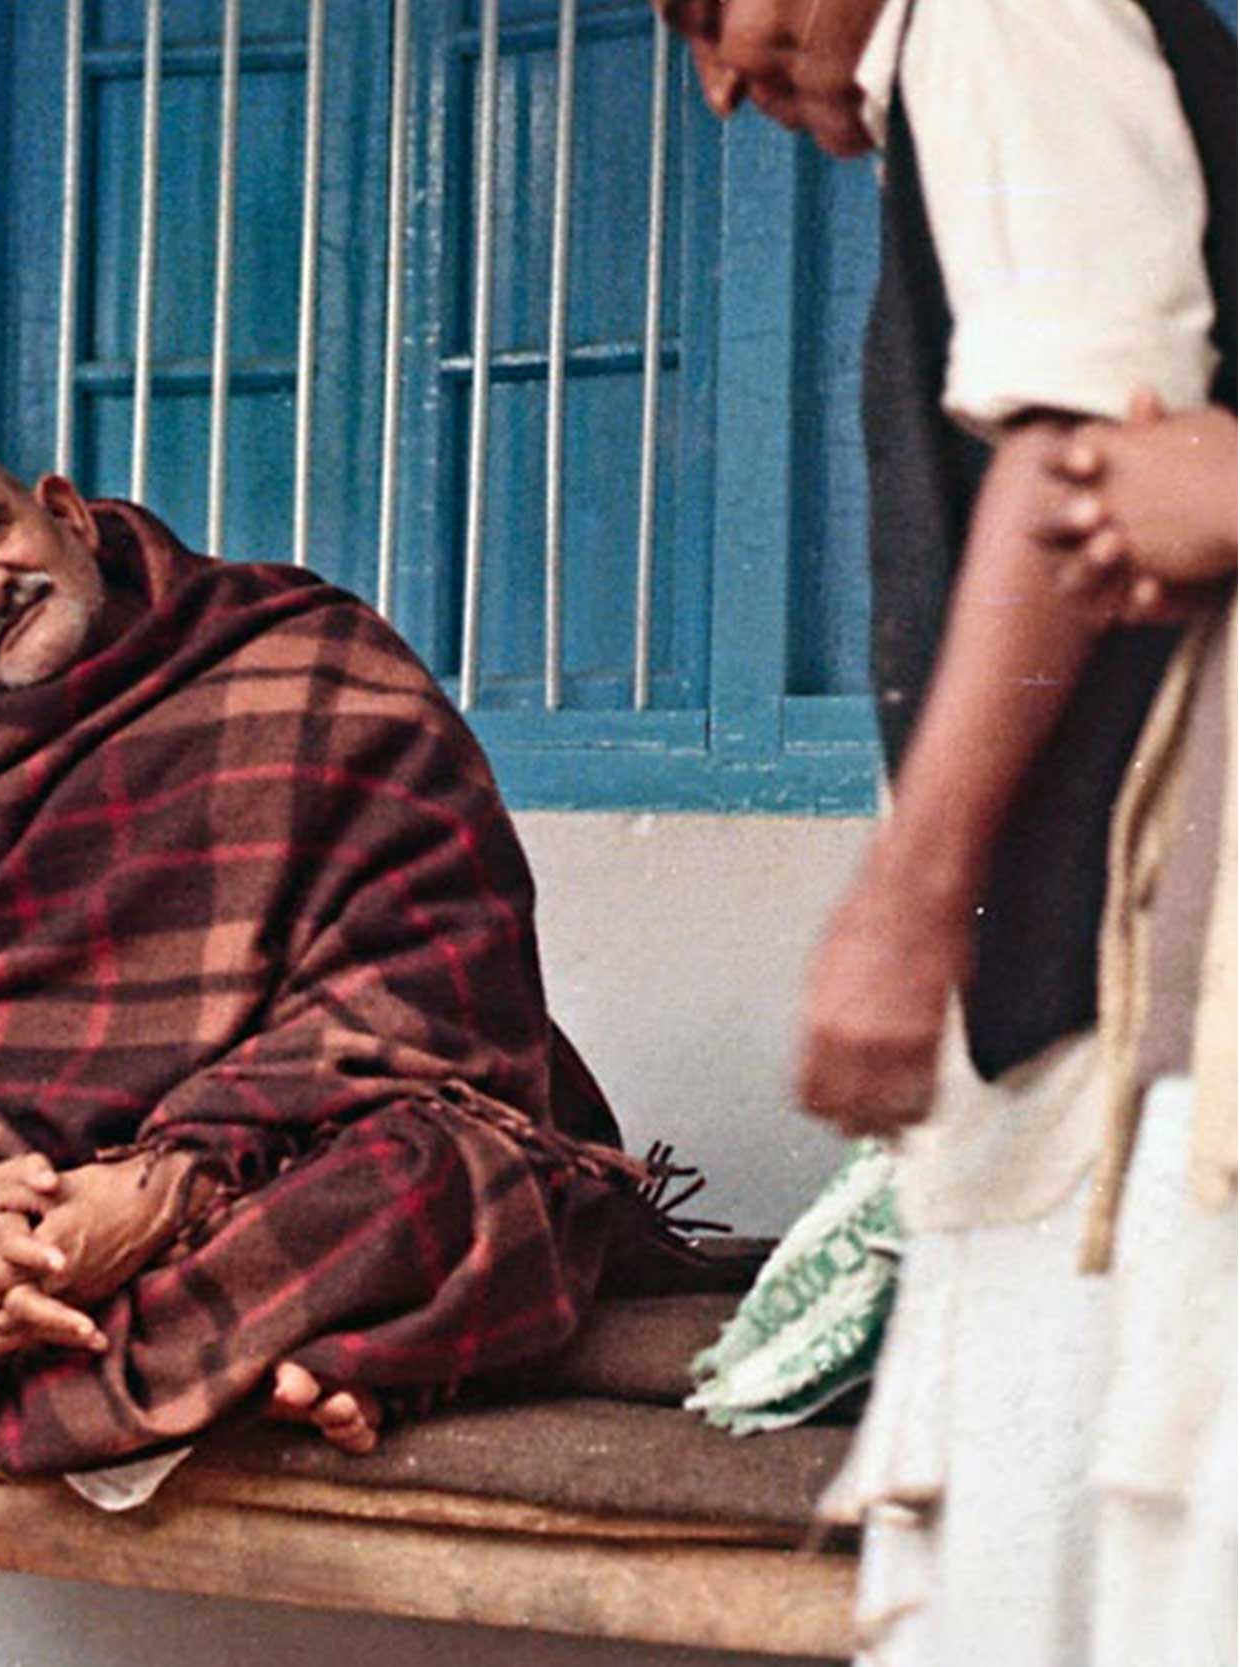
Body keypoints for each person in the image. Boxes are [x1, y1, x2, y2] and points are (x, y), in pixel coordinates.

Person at [0, 447, 662, 1496]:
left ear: (64, 511)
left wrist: (162, 1185)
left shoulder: (304, 657)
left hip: (245, 1164)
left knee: (440, 1181)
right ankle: (188, 1356)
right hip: (10, 1191)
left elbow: (422, 989)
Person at [651, 0, 1233, 1660]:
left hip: (1147, 993)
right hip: (1114, 997)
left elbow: (1076, 456)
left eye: (713, 11)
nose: (716, 80)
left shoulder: (993, 14)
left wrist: (908, 902)